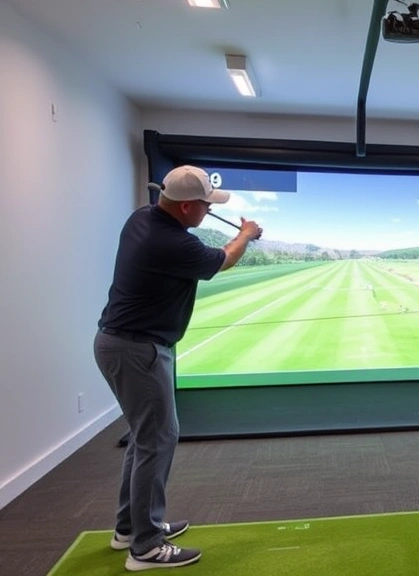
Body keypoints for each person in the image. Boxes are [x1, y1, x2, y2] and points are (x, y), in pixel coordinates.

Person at [93, 165, 262, 571]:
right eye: (204, 206)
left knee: (143, 437)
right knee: (158, 439)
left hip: (121, 344)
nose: (207, 212)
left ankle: (131, 529)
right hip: (138, 350)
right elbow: (222, 260)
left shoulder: (142, 218)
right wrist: (245, 234)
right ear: (186, 207)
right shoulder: (171, 244)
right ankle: (146, 548)